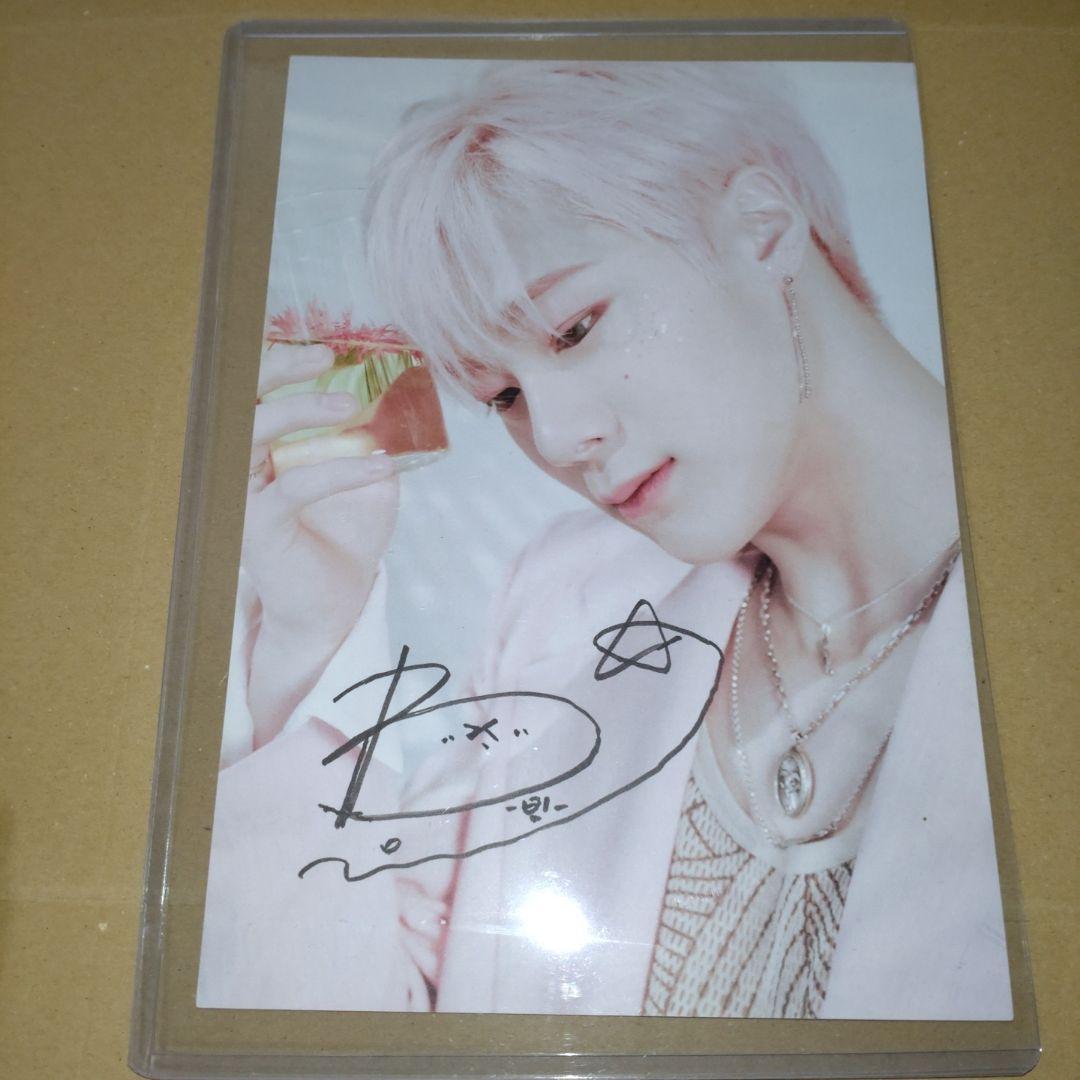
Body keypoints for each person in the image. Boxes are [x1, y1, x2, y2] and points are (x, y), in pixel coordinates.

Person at [198, 62, 1012, 1020]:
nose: (554, 438)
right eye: (504, 395)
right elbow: (368, 1040)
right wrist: (308, 638)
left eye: (576, 328)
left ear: (762, 225)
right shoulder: (563, 600)